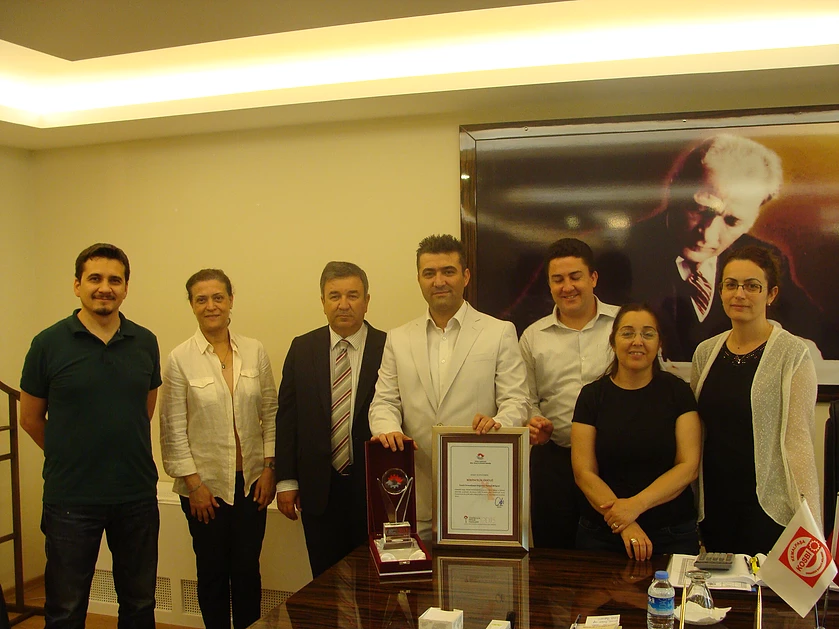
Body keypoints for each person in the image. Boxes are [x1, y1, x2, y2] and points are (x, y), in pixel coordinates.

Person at [19, 243, 160, 629]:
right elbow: (30, 419)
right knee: (65, 610)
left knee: (140, 604)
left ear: (126, 288)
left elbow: (143, 411)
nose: (105, 287)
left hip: (136, 496)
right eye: (95, 278)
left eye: (115, 280)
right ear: (77, 285)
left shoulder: (145, 342)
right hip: (71, 499)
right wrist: (70, 452)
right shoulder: (47, 343)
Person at [598, 134, 836, 361]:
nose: (708, 234)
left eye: (732, 221)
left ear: (754, 217)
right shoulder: (618, 256)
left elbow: (823, 336)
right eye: (700, 209)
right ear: (673, 188)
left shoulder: (765, 261)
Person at [369, 234, 529, 538]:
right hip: (416, 491)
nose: (439, 281)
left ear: (465, 276)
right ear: (419, 279)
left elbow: (517, 401)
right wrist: (387, 429)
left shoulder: (498, 332)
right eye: (429, 273)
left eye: (448, 271)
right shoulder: (398, 338)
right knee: (417, 568)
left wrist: (498, 423)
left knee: (474, 568)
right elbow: (384, 402)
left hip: (480, 490)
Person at [159, 269, 277, 629]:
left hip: (252, 485)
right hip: (204, 491)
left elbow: (271, 413)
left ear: (230, 300)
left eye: (218, 297)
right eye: (201, 299)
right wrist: (194, 486)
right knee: (211, 573)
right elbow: (172, 429)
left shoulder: (254, 350)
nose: (211, 306)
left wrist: (270, 469)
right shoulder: (180, 358)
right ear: (192, 305)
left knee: (247, 571)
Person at [691, 245, 821, 554]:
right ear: (721, 291)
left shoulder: (793, 354)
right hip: (715, 504)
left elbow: (799, 443)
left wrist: (812, 524)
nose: (740, 294)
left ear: (771, 294)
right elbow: (697, 431)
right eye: (731, 285)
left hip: (768, 508)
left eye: (752, 286)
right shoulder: (705, 353)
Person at [275, 261, 386, 578]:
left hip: (373, 489)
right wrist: (286, 481)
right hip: (317, 489)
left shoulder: (389, 347)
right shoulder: (302, 348)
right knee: (323, 580)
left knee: (373, 581)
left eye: (353, 295)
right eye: (334, 296)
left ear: (367, 301)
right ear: (323, 302)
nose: (343, 304)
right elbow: (287, 419)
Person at [571, 304, 701, 560]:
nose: (637, 342)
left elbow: (688, 466)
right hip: (602, 534)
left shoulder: (678, 393)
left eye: (648, 334)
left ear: (659, 343)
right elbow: (583, 472)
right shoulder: (591, 396)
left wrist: (634, 507)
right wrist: (624, 522)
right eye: (628, 333)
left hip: (672, 533)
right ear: (613, 341)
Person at [519, 238, 619, 548]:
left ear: (593, 278)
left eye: (575, 277)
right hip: (555, 462)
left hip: (615, 461)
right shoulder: (533, 336)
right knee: (553, 554)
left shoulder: (623, 325)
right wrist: (535, 421)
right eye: (557, 279)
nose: (567, 287)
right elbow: (525, 397)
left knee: (613, 553)